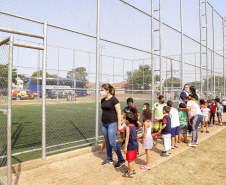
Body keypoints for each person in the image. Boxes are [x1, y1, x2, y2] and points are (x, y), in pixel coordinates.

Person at [100, 83, 125, 168]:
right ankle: (109, 158)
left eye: (102, 90)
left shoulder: (114, 100)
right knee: (107, 141)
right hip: (104, 123)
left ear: (107, 90)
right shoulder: (103, 100)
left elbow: (118, 113)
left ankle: (121, 159)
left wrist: (119, 125)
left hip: (112, 123)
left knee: (112, 142)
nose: (101, 92)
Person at [122, 113, 138, 178]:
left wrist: (125, 147)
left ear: (128, 121)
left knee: (129, 160)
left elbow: (127, 138)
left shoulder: (127, 127)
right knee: (133, 159)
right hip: (135, 144)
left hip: (130, 146)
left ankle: (130, 173)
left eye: (126, 119)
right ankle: (132, 170)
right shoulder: (134, 126)